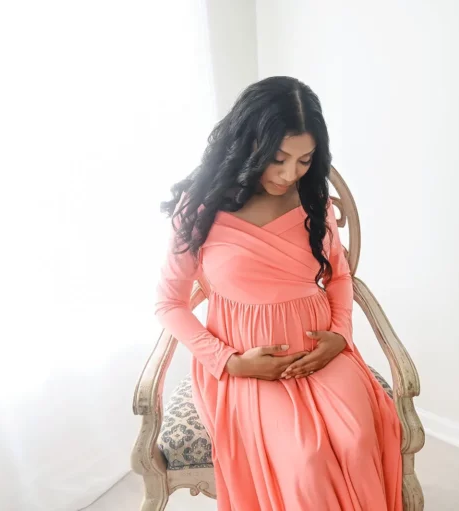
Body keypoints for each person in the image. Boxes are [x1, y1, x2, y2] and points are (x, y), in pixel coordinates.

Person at [155, 76, 402, 510]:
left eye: (305, 160)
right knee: (306, 461)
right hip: (246, 362)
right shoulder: (200, 209)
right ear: (248, 144)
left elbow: (340, 278)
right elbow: (169, 303)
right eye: (278, 159)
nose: (290, 174)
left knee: (357, 439)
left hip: (321, 350)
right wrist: (229, 361)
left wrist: (340, 336)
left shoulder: (312, 200)